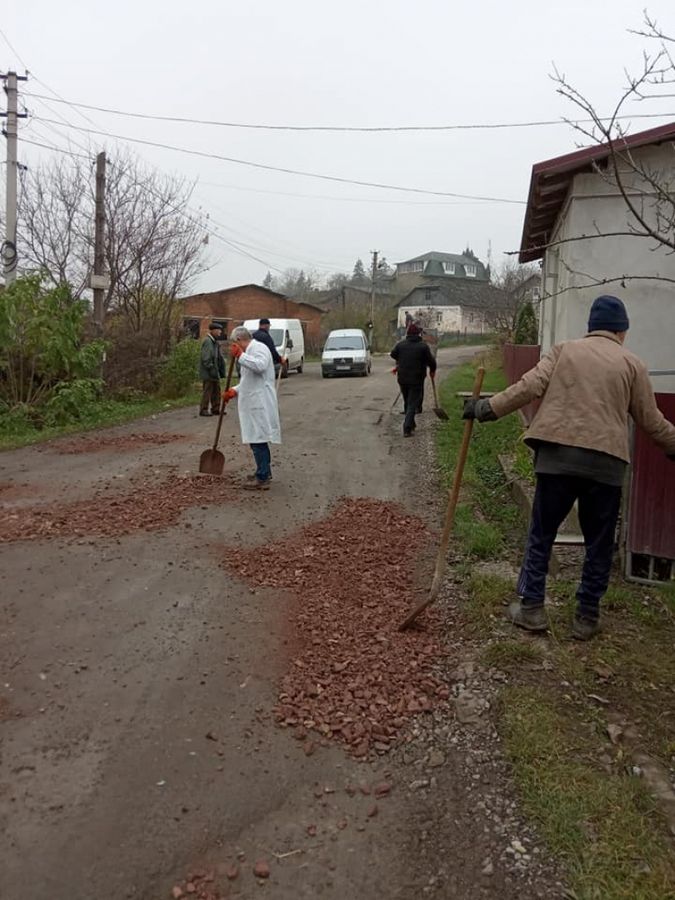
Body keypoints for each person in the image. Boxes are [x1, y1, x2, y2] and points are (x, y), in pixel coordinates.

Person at [463, 295, 675, 640]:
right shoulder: (632, 364)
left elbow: (529, 386)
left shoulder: (565, 351)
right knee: (599, 543)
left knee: (542, 534)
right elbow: (651, 420)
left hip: (557, 458)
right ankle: (586, 617)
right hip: (605, 464)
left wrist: (486, 409)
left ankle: (531, 608)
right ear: (622, 331)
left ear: (590, 328)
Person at [222, 326, 281, 491]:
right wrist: (234, 390)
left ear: (240, 340)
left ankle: (262, 477)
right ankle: (263, 472)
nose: (235, 347)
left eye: (235, 343)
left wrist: (241, 356)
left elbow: (260, 366)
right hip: (253, 400)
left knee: (258, 440)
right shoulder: (250, 352)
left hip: (259, 402)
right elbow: (249, 380)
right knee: (256, 439)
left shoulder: (259, 348)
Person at [390, 322, 437, 436]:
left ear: (407, 334)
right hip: (417, 379)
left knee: (407, 401)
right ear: (418, 334)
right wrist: (432, 370)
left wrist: (401, 359)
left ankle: (411, 424)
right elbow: (431, 361)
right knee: (412, 404)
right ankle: (407, 428)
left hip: (403, 378)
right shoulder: (423, 346)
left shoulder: (401, 345)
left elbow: (393, 354)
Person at [199, 322, 225, 416]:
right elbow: (206, 357)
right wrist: (210, 368)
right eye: (218, 330)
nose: (220, 332)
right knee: (207, 391)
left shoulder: (214, 342)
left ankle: (216, 408)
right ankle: (203, 409)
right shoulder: (208, 341)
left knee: (216, 390)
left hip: (215, 370)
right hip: (209, 371)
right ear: (213, 330)